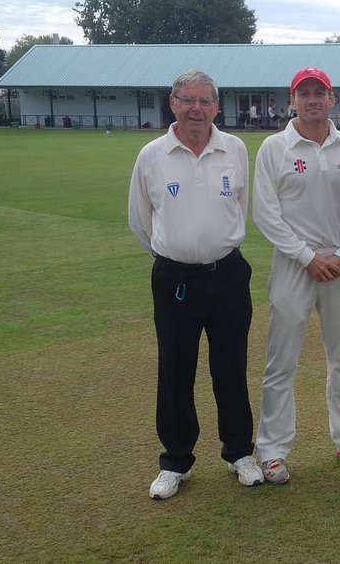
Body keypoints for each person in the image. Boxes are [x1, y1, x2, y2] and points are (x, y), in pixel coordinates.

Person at [128, 69, 264, 499]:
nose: (196, 109)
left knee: (231, 367)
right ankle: (175, 461)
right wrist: (176, 254)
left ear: (216, 107)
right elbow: (139, 219)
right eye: (188, 100)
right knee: (175, 370)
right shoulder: (152, 155)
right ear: (173, 103)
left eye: (205, 101)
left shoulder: (235, 149)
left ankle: (239, 452)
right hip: (174, 279)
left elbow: (239, 208)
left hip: (227, 275)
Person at [252, 68, 340, 484]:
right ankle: (272, 450)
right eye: (303, 93)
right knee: (281, 362)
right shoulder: (274, 148)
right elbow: (266, 214)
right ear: (292, 100)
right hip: (294, 266)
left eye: (319, 93)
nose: (312, 100)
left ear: (332, 99)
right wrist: (307, 257)